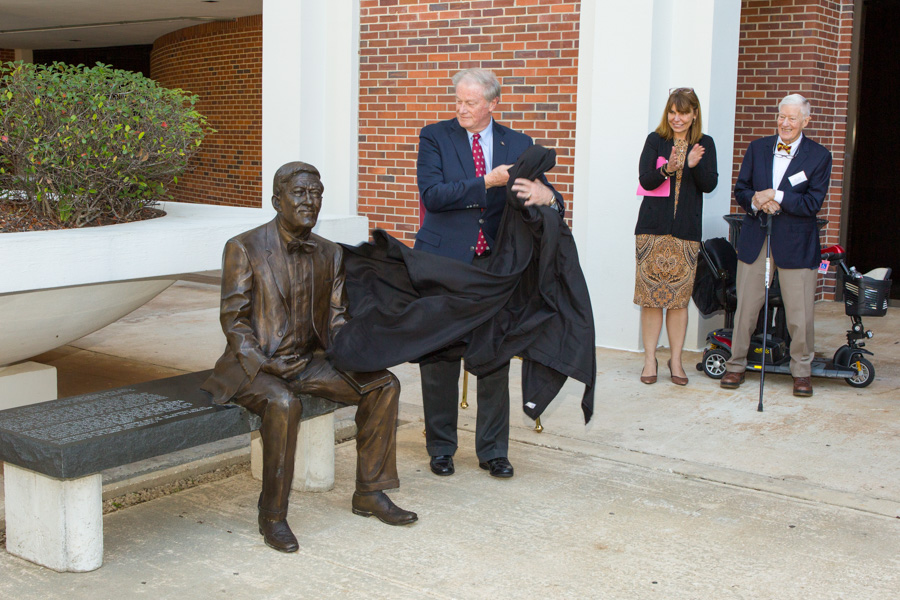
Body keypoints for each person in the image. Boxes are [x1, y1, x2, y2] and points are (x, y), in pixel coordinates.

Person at [202, 162, 416, 553]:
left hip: (307, 361)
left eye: (316, 193)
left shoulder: (330, 253)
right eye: (300, 193)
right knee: (284, 404)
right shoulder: (244, 247)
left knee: (384, 384)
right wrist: (267, 364)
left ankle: (370, 491)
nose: (310, 201)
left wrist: (364, 349)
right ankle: (273, 516)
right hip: (255, 365)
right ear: (276, 200)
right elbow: (233, 321)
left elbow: (337, 321)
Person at [415, 68, 564, 478]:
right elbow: (433, 196)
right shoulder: (435, 136)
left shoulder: (517, 143)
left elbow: (545, 194)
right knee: (440, 357)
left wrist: (547, 196)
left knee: (495, 356)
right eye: (457, 100)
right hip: (442, 264)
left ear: (492, 104)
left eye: (470, 102)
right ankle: (441, 447)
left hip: (495, 269)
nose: (461, 108)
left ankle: (494, 451)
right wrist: (487, 181)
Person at [721, 94, 832, 397]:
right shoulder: (758, 148)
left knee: (800, 314)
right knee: (746, 309)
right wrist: (757, 200)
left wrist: (776, 196)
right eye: (781, 116)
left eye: (792, 118)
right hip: (758, 239)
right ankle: (735, 366)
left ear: (805, 121)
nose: (785, 123)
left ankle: (802, 372)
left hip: (797, 245)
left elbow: (812, 203)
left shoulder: (819, 156)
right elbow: (741, 189)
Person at [634, 88, 718, 386]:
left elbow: (709, 184)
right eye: (673, 111)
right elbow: (645, 179)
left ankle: (677, 361)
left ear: (694, 113)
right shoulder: (656, 140)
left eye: (683, 112)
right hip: (652, 231)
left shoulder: (704, 144)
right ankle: (649, 361)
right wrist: (670, 168)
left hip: (685, 233)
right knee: (651, 299)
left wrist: (692, 166)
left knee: (679, 301)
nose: (677, 118)